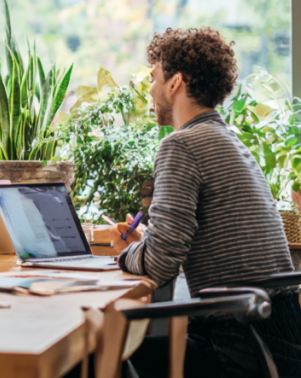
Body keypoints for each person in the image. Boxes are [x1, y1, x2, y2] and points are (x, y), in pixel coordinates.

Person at [112, 27, 300, 378]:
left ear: (175, 82)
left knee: (92, 358)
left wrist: (125, 254)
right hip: (277, 342)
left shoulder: (181, 145)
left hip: (238, 349)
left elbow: (159, 266)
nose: (150, 90)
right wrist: (148, 245)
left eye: (153, 78)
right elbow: (171, 249)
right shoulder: (228, 140)